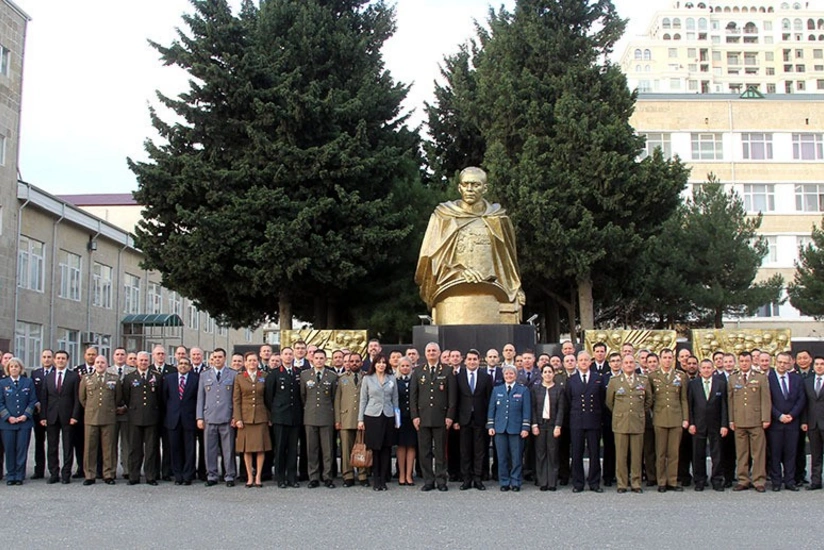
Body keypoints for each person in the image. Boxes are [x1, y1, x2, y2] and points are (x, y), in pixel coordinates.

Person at [415, 166, 525, 324]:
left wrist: (516, 288)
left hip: (494, 297)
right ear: (459, 187)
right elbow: (429, 261)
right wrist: (457, 272)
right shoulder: (443, 217)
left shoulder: (498, 219)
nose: (470, 189)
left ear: (485, 188)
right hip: (452, 296)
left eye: (475, 185)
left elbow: (508, 263)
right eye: (466, 184)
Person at [410, 342, 456, 492]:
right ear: (425, 353)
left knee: (441, 451)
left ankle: (441, 480)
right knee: (425, 451)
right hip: (422, 418)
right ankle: (428, 480)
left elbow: (452, 397)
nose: (431, 353)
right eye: (429, 351)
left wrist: (450, 416)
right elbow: (413, 397)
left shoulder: (448, 370)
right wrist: (415, 416)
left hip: (441, 417)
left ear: (439, 353)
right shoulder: (418, 371)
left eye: (434, 351)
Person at [606, 354, 653, 493]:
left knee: (637, 455)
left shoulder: (643, 381)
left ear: (636, 365)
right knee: (621, 455)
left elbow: (648, 400)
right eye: (626, 363)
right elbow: (610, 402)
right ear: (621, 365)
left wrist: (639, 412)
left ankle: (636, 483)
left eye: (631, 362)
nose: (629, 365)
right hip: (621, 422)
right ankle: (622, 483)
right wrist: (620, 412)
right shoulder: (614, 381)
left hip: (637, 422)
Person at [728, 351, 771, 492]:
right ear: (738, 362)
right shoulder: (733, 378)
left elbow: (765, 399)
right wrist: (731, 420)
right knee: (741, 453)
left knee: (758, 453)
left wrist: (765, 418)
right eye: (742, 361)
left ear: (752, 361)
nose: (744, 363)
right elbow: (730, 401)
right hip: (739, 421)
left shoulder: (760, 377)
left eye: (747, 361)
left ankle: (759, 480)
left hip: (756, 420)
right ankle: (743, 479)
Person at [79, 355, 122, 485]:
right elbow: (83, 399)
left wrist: (110, 409)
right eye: (97, 362)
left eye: (102, 362)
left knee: (108, 448)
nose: (99, 365)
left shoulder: (114, 379)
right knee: (89, 448)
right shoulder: (87, 379)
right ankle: (89, 475)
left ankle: (108, 474)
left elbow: (117, 398)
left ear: (107, 364)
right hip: (91, 417)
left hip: (108, 417)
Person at [649, 349, 689, 492]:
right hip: (659, 418)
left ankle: (672, 480)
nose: (667, 360)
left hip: (676, 418)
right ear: (660, 359)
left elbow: (683, 399)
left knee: (674, 452)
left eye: (669, 357)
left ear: (673, 359)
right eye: (664, 357)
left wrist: (685, 418)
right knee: (660, 452)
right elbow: (650, 398)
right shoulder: (652, 376)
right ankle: (661, 481)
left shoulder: (680, 376)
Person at [196, 348, 237, 487]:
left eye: (220, 357)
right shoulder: (204, 375)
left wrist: (235, 416)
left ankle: (229, 475)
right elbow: (200, 398)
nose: (217, 359)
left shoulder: (233, 374)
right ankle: (212, 475)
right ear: (212, 359)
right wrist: (199, 417)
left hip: (227, 416)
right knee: (210, 449)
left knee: (228, 449)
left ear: (225, 358)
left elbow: (235, 398)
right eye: (215, 357)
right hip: (209, 417)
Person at [358, 355, 399, 491]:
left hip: (388, 415)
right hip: (372, 415)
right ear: (374, 364)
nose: (381, 365)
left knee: (386, 448)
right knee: (375, 448)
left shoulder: (391, 379)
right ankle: (376, 479)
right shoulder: (367, 379)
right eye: (378, 363)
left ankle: (383, 479)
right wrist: (360, 420)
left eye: (383, 363)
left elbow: (395, 400)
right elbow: (363, 399)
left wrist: (397, 419)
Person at [565, 350, 604, 493]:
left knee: (594, 453)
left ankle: (594, 482)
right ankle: (578, 483)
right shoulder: (571, 380)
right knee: (576, 453)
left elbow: (601, 399)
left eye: (586, 360)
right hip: (577, 421)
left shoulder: (597, 378)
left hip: (593, 420)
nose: (583, 362)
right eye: (580, 360)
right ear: (577, 362)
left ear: (590, 362)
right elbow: (569, 400)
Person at [487, 365, 530, 491]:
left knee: (516, 457)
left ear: (515, 375)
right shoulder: (497, 390)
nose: (509, 376)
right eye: (507, 374)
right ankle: (504, 482)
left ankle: (516, 481)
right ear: (503, 376)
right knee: (502, 457)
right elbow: (492, 409)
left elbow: (526, 411)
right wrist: (490, 425)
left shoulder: (523, 390)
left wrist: (525, 428)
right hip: (500, 428)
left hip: (516, 429)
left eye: (511, 374)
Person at [454, 349, 492, 491]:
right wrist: (456, 419)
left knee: (479, 451)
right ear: (465, 361)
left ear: (479, 360)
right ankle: (466, 479)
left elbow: (489, 399)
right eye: (469, 359)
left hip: (480, 419)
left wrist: (489, 419)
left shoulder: (486, 377)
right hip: (463, 419)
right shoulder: (458, 376)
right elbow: (455, 400)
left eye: (474, 359)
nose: (472, 362)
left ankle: (478, 478)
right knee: (465, 451)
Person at [766, 352, 806, 491]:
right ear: (775, 362)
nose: (782, 365)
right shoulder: (768, 379)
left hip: (792, 423)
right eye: (780, 362)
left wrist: (792, 415)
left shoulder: (796, 379)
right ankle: (776, 482)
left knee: (791, 453)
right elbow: (766, 401)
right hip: (775, 423)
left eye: (785, 362)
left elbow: (801, 399)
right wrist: (779, 416)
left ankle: (790, 481)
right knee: (775, 454)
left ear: (790, 363)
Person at [687, 359, 729, 492]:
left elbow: (724, 406)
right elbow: (690, 406)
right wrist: (691, 423)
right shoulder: (693, 384)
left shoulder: (721, 384)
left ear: (713, 369)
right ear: (700, 370)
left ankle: (717, 479)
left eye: (708, 367)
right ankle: (700, 480)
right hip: (698, 424)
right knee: (698, 453)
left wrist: (724, 425)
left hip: (715, 424)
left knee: (717, 453)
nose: (706, 370)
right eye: (703, 367)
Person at [41, 350, 81, 484]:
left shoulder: (74, 376)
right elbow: (44, 398)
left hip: (68, 416)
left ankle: (66, 474)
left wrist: (75, 415)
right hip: (51, 416)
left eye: (63, 358)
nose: (60, 361)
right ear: (54, 360)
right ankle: (53, 473)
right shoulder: (49, 377)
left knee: (68, 446)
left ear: (67, 360)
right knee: (52, 446)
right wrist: (43, 416)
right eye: (58, 358)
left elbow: (77, 398)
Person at [122, 351, 162, 486]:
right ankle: (134, 476)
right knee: (135, 448)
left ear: (149, 362)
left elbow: (160, 397)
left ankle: (151, 476)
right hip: (135, 417)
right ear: (136, 362)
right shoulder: (129, 377)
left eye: (145, 360)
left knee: (151, 448)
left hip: (152, 417)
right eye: (141, 360)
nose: (143, 363)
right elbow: (126, 397)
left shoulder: (156, 376)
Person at [264, 347, 302, 488]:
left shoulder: (298, 373)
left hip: (295, 416)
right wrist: (275, 412)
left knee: (293, 449)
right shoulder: (274, 374)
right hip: (280, 416)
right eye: (285, 354)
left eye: (290, 354)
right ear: (281, 356)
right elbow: (269, 397)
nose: (288, 356)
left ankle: (292, 477)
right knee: (280, 448)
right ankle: (280, 477)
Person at [300, 349, 337, 488]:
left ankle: (327, 477)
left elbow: (333, 397)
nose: (319, 360)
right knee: (312, 448)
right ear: (312, 359)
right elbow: (303, 396)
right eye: (317, 358)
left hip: (326, 416)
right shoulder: (304, 375)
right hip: (310, 416)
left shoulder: (332, 376)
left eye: (322, 358)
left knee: (327, 449)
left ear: (325, 360)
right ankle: (313, 477)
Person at [233, 352, 271, 487]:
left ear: (258, 362)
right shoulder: (239, 378)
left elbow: (268, 398)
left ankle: (258, 477)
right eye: (249, 360)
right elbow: (236, 400)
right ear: (245, 362)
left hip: (261, 417)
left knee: (260, 449)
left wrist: (269, 417)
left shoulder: (264, 376)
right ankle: (250, 477)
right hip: (245, 418)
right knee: (247, 449)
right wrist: (237, 418)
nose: (252, 363)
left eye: (254, 360)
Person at [0, 358, 38, 485]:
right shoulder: (2, 383)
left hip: (24, 422)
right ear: (8, 369)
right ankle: (11, 475)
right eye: (11, 367)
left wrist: (26, 415)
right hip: (7, 423)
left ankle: (19, 475)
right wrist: (8, 417)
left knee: (22, 449)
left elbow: (33, 401)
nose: (14, 369)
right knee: (9, 449)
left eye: (16, 366)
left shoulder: (28, 382)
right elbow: (0, 403)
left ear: (21, 369)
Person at [334, 347, 367, 487]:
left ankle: (362, 474)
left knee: (362, 448)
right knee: (346, 449)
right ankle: (347, 475)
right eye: (351, 361)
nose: (354, 363)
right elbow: (337, 400)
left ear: (361, 363)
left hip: (361, 419)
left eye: (357, 361)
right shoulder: (342, 379)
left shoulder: (366, 377)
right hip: (346, 418)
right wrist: (337, 420)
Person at [531, 364, 565, 491]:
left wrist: (558, 426)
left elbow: (561, 409)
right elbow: (533, 408)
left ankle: (552, 482)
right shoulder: (536, 389)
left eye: (550, 372)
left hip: (552, 425)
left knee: (553, 453)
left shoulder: (559, 389)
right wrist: (534, 424)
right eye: (545, 372)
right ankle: (542, 481)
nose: (547, 374)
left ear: (553, 374)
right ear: (541, 374)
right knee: (540, 454)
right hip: (540, 424)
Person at [107, 347, 134, 480]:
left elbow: (134, 395)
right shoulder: (107, 371)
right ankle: (110, 470)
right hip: (110, 413)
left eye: (122, 354)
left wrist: (125, 407)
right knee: (111, 444)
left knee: (127, 443)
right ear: (113, 356)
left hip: (127, 412)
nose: (120, 357)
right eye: (117, 354)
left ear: (126, 356)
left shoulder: (132, 371)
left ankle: (127, 469)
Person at [30, 349, 54, 479]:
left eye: (49, 357)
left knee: (53, 443)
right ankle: (38, 470)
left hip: (53, 413)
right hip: (38, 413)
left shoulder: (57, 372)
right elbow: (32, 392)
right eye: (44, 357)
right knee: (39, 443)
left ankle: (53, 471)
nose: (46, 359)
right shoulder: (35, 373)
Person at [802, 356, 824, 490]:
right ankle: (816, 481)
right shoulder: (807, 382)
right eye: (817, 364)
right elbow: (805, 404)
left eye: (822, 364)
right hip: (813, 424)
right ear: (813, 366)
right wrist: (804, 421)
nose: (819, 366)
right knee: (816, 455)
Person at [601, 352, 622, 487]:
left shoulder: (626, 377)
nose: (615, 363)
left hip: (623, 418)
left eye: (617, 361)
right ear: (609, 364)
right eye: (613, 361)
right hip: (608, 418)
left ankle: (621, 475)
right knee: (609, 448)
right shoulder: (604, 378)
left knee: (622, 448)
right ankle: (608, 475)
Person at [395, 357, 417, 486]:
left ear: (411, 367)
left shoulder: (416, 380)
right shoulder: (395, 381)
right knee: (401, 445)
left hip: (413, 418)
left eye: (407, 366)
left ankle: (409, 475)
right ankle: (401, 474)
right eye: (402, 366)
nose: (405, 368)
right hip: (400, 418)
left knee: (412, 446)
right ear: (399, 367)